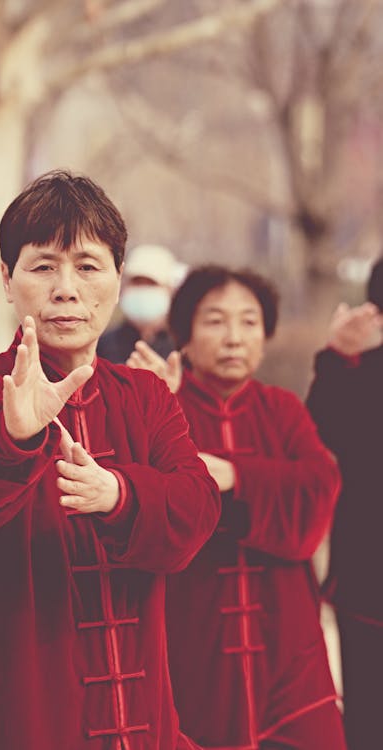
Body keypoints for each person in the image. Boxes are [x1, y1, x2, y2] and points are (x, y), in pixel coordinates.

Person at [0, 171, 220, 750]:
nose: (66, 288)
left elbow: (197, 511)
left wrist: (119, 495)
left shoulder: (146, 397)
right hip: (5, 720)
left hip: (137, 719)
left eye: (87, 266)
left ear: (116, 278)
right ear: (8, 279)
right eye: (43, 266)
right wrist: (14, 433)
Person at [128, 265, 346, 750]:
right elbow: (141, 505)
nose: (233, 338)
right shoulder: (165, 409)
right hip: (192, 644)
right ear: (183, 335)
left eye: (249, 322)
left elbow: (318, 489)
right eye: (214, 321)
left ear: (265, 337)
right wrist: (149, 413)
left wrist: (235, 477)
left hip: (289, 655)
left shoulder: (284, 410)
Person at [306, 257, 383, 750]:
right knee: (369, 718)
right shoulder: (361, 369)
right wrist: (339, 357)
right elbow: (317, 434)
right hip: (369, 580)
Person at [97, 243, 184, 364]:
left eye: (151, 284)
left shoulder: (183, 345)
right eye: (137, 283)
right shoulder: (103, 344)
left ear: (170, 289)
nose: (143, 290)